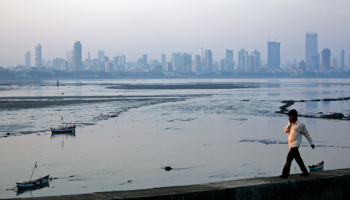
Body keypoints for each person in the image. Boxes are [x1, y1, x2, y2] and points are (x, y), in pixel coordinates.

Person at [279, 109, 315, 179]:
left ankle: (285, 174)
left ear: (295, 116)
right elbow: (285, 131)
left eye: (291, 116)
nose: (290, 117)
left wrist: (311, 143)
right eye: (289, 116)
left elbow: (306, 134)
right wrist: (289, 123)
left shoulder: (301, 125)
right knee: (298, 159)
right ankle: (305, 172)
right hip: (290, 145)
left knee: (288, 159)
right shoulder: (291, 123)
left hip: (295, 145)